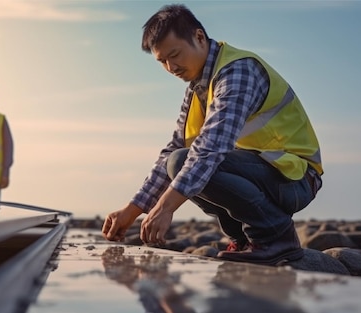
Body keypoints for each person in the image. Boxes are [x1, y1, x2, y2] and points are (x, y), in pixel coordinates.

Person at [102, 4, 323, 265]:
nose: (171, 67)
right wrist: (133, 210)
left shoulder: (238, 71)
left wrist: (165, 208)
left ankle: (275, 237)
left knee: (187, 164)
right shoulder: (198, 88)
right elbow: (174, 148)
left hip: (295, 178)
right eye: (162, 61)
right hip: (265, 172)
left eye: (175, 54)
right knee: (180, 163)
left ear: (198, 37)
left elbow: (210, 149)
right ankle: (245, 239)